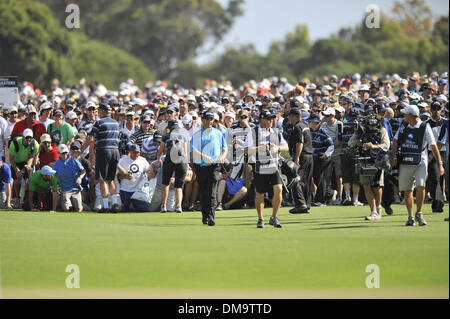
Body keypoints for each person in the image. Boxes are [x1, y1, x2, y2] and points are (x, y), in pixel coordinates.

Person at [392, 105, 445, 226]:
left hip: (420, 160)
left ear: (412, 116)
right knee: (408, 189)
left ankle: (419, 213)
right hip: (405, 160)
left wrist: (440, 164)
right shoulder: (404, 125)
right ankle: (410, 216)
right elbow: (395, 141)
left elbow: (433, 146)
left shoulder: (424, 126)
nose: (404, 116)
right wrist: (394, 156)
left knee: (421, 186)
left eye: (406, 114)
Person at [245, 110, 289, 228]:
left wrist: (277, 148)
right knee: (260, 194)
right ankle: (260, 218)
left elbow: (286, 147)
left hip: (274, 166)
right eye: (268, 119)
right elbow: (246, 150)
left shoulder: (276, 131)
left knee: (278, 189)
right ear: (261, 120)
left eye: (272, 119)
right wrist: (261, 148)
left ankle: (274, 217)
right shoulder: (253, 132)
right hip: (260, 167)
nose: (271, 121)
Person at [348, 113, 390, 221]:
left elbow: (386, 145)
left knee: (377, 187)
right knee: (366, 185)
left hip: (378, 161)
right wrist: (359, 143)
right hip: (364, 160)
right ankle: (373, 211)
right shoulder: (360, 131)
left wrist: (374, 146)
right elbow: (350, 142)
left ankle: (379, 208)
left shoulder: (382, 130)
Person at [190, 110, 227, 226]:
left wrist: (222, 156)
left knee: (211, 191)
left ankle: (211, 216)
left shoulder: (218, 133)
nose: (210, 121)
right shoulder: (197, 135)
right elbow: (192, 151)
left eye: (211, 119)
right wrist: (203, 156)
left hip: (214, 166)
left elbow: (225, 148)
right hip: (201, 167)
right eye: (207, 119)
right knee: (204, 192)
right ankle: (205, 216)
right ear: (203, 120)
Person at [84, 102, 121, 213]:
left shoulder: (99, 122)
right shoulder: (116, 123)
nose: (97, 112)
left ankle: (105, 207)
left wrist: (80, 150)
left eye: (98, 110)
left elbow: (91, 139)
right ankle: (114, 203)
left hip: (104, 151)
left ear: (103, 111)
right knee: (111, 179)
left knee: (102, 180)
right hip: (115, 151)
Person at [157, 120, 189, 213]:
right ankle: (179, 206)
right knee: (179, 185)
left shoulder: (166, 136)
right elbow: (185, 152)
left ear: (169, 128)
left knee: (165, 183)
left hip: (170, 159)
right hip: (182, 160)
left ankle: (164, 206)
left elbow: (161, 149)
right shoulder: (183, 137)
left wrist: (159, 158)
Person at [286, 107, 314, 214]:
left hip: (302, 156)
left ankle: (300, 204)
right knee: (306, 180)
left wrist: (297, 157)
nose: (288, 118)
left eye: (290, 116)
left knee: (295, 179)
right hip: (309, 156)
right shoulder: (305, 126)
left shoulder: (297, 127)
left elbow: (299, 143)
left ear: (295, 117)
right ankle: (306, 204)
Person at [307, 113, 334, 206]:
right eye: (310, 122)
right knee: (315, 178)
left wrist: (326, 155)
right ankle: (329, 194)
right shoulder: (307, 131)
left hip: (322, 158)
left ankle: (321, 201)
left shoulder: (323, 132)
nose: (311, 123)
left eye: (313, 122)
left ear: (317, 123)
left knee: (320, 178)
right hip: (311, 158)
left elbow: (331, 145)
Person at [9, 128, 40, 208]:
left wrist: (28, 165)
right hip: (16, 161)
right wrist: (16, 170)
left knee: (29, 181)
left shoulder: (35, 144)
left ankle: (27, 200)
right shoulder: (15, 143)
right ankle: (17, 198)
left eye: (30, 138)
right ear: (23, 137)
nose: (28, 140)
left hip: (26, 161)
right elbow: (11, 159)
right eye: (27, 138)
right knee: (17, 180)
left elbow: (32, 156)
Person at [117, 144, 151, 212]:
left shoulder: (143, 160)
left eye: (138, 152)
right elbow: (117, 175)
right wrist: (125, 176)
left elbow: (149, 170)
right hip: (125, 190)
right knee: (122, 210)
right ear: (130, 152)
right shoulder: (122, 160)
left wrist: (146, 179)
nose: (136, 154)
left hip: (138, 190)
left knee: (142, 210)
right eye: (134, 152)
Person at [52, 144, 86, 212]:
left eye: (66, 152)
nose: (65, 154)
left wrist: (80, 178)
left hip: (76, 188)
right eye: (63, 153)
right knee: (66, 209)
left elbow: (83, 171)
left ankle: (82, 206)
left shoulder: (74, 160)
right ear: (59, 153)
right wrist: (58, 185)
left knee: (78, 209)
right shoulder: (55, 165)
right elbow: (56, 176)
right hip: (64, 190)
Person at [320, 107, 344, 204]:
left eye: (327, 115)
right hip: (327, 155)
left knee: (339, 176)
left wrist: (329, 145)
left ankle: (340, 197)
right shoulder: (323, 125)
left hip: (337, 153)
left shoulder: (339, 124)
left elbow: (339, 141)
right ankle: (329, 196)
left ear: (333, 116)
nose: (325, 117)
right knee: (327, 176)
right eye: (325, 115)